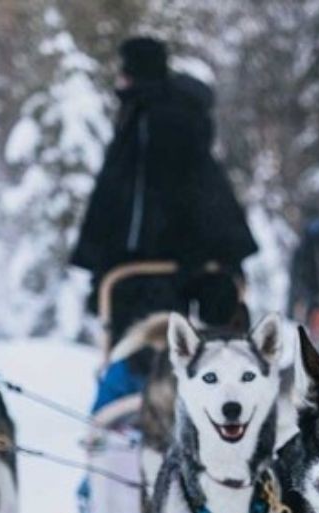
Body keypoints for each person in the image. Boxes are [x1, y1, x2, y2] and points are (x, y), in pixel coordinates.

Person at [71, 37, 256, 359]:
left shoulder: (149, 117)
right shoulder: (169, 110)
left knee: (145, 346)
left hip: (152, 260)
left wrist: (104, 258)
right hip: (196, 255)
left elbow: (130, 193)